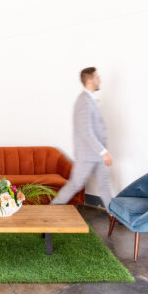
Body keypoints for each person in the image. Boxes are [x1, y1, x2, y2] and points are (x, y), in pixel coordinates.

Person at [50, 67, 113, 208]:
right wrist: (103, 152)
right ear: (90, 80)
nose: (100, 80)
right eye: (97, 77)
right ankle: (51, 211)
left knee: (104, 186)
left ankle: (115, 216)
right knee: (75, 185)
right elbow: (86, 132)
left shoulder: (89, 100)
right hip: (87, 155)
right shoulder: (83, 101)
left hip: (96, 155)